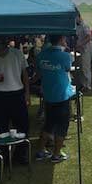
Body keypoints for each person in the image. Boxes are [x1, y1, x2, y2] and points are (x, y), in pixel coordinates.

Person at [35, 35, 75, 163]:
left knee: (48, 124)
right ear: (62, 40)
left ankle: (41, 151)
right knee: (62, 126)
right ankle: (56, 154)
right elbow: (68, 68)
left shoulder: (41, 54)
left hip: (48, 95)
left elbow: (38, 70)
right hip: (62, 95)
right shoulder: (65, 56)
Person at [75, 12, 92, 90]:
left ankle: (87, 85)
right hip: (79, 50)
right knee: (80, 68)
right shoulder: (76, 26)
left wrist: (81, 44)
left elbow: (89, 37)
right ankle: (82, 84)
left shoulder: (84, 25)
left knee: (85, 68)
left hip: (85, 50)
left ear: (79, 17)